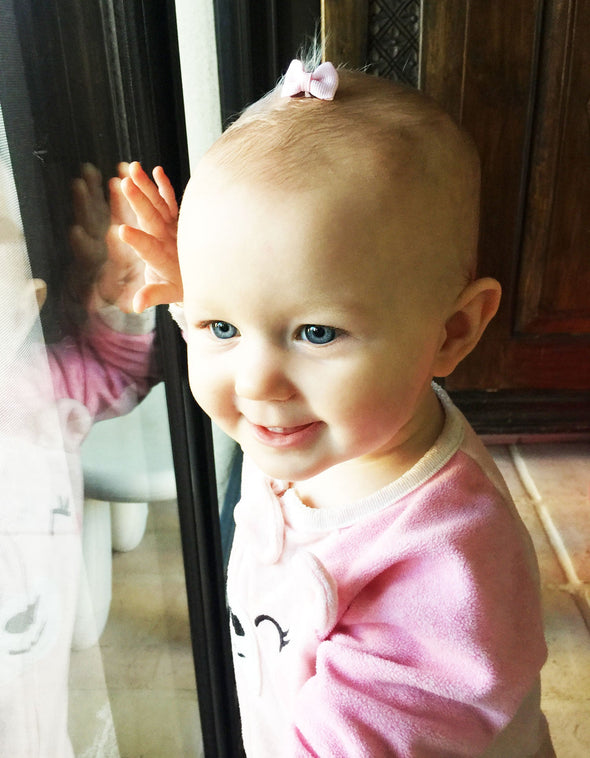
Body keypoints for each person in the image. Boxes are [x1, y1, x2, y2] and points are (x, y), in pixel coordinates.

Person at [119, 60, 555, 757]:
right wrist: (196, 285)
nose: (257, 382)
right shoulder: (343, 425)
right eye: (221, 326)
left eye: (316, 333)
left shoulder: (441, 559)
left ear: (452, 332)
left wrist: (231, 308)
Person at [0, 159, 159, 757]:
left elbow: (117, 378)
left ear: (22, 311)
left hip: (40, 705)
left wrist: (115, 294)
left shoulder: (35, 389)